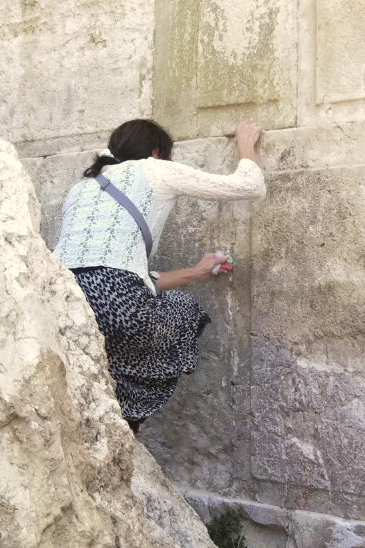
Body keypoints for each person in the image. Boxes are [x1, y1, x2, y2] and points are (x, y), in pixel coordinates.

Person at [53, 119, 265, 433]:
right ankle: (129, 416)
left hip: (64, 306)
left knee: (115, 337)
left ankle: (114, 418)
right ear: (156, 151)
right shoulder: (154, 168)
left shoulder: (81, 187)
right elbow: (249, 186)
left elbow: (114, 279)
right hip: (117, 306)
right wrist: (245, 146)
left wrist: (196, 272)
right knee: (183, 310)